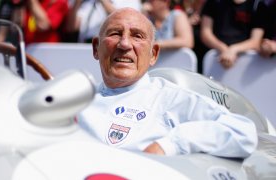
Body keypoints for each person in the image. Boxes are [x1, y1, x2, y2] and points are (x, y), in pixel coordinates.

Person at [77, 7, 257, 158]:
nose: (124, 44)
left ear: (153, 54)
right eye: (115, 33)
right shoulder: (76, 101)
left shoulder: (170, 98)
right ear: (96, 48)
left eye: (137, 36)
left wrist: (170, 144)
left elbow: (243, 132)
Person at [200, 0, 264, 69]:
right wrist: (223, 49)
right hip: (214, 62)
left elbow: (255, 41)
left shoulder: (257, 5)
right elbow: (205, 33)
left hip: (247, 67)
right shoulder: (213, 2)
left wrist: (233, 50)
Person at [65, 0, 141, 43]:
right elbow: (71, 27)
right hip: (87, 46)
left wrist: (103, 1)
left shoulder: (130, 1)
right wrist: (77, 2)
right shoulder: (89, 2)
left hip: (112, 45)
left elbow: (124, 19)